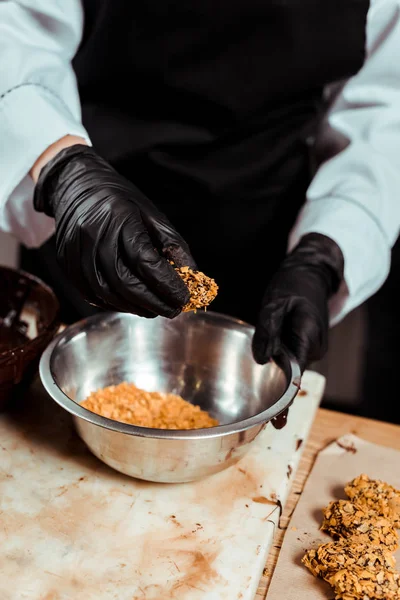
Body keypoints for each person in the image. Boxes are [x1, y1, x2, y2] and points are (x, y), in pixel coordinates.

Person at [1, 0, 400, 374]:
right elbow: (14, 24)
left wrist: (328, 247)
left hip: (265, 240)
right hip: (89, 218)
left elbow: (386, 108)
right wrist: (59, 165)